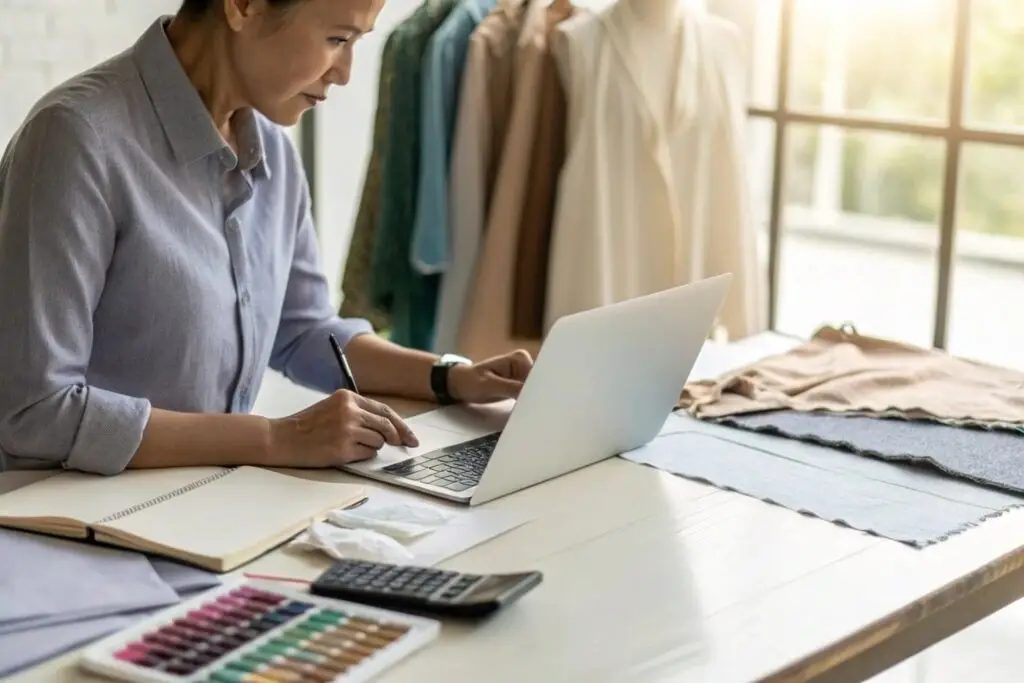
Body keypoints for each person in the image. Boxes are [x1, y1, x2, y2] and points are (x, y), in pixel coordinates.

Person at [0, 0, 534, 475]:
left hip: (209, 505)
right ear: (243, 7)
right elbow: (35, 410)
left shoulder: (272, 150)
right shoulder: (75, 140)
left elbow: (304, 331)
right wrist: (275, 437)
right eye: (337, 39)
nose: (345, 74)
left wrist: (452, 377)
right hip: (72, 527)